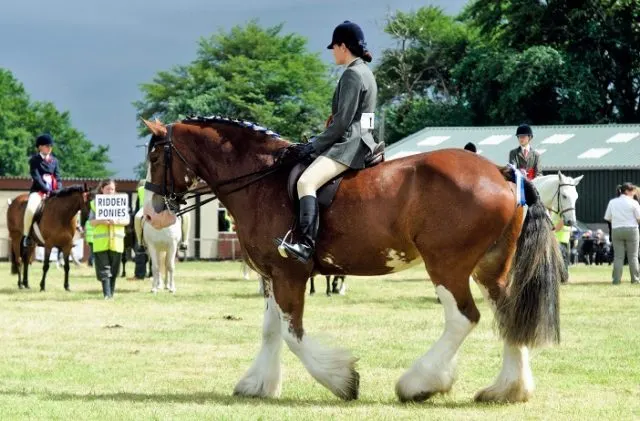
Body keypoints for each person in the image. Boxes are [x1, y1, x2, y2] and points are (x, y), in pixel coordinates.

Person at [277, 20, 378, 263]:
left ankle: (305, 244)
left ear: (343, 47)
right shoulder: (367, 72)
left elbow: (342, 122)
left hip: (349, 146)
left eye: (334, 47)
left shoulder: (353, 75)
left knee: (306, 183)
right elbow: (369, 119)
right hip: (364, 140)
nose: (332, 52)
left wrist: (313, 145)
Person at [22, 133, 63, 252]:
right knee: (30, 209)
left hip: (54, 192)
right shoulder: (34, 160)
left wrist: (58, 190)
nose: (49, 148)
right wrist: (46, 190)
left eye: (50, 146)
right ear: (40, 147)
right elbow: (36, 177)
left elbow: (58, 177)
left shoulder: (54, 161)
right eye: (46, 145)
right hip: (38, 191)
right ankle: (27, 236)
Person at [89, 179, 130, 299]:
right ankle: (106, 294)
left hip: (117, 242)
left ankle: (111, 293)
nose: (110, 191)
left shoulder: (120, 202)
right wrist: (101, 221)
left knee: (114, 270)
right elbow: (91, 222)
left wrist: (116, 221)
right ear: (102, 189)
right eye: (107, 189)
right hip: (101, 242)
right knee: (104, 270)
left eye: (112, 189)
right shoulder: (95, 203)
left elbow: (127, 220)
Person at [604, 182, 640, 284]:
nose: (634, 193)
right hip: (632, 230)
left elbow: (608, 218)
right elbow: (639, 218)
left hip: (617, 230)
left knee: (618, 257)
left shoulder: (612, 202)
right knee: (633, 256)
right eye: (633, 191)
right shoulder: (634, 203)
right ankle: (635, 279)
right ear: (627, 191)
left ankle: (616, 280)